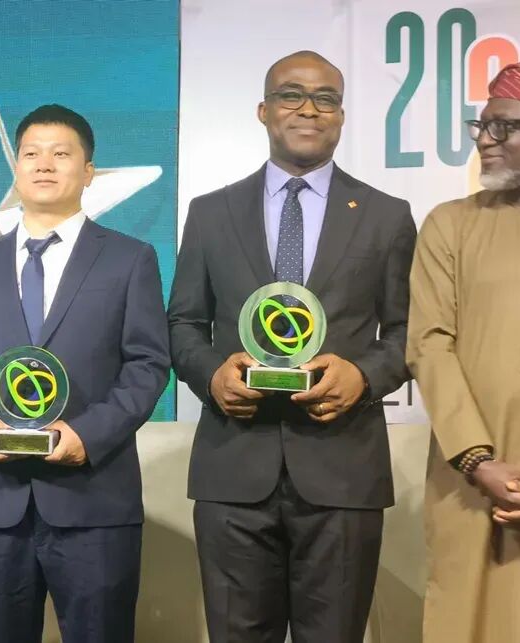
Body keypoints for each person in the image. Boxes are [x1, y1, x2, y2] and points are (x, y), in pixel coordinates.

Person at [168, 50, 417, 642]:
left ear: (342, 116)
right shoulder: (210, 213)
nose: (309, 109)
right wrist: (212, 376)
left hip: (343, 470)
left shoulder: (387, 216)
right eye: (291, 95)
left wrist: (364, 376)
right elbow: (182, 324)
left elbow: (411, 330)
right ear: (263, 110)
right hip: (233, 469)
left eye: (326, 98)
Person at [0, 104, 169, 643]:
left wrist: (86, 436)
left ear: (88, 171)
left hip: (94, 501)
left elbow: (149, 365)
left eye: (61, 154)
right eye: (31, 154)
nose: (44, 164)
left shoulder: (130, 259)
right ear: (16, 169)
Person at [407, 60, 520, 643]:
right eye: (481, 126)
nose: (485, 140)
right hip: (473, 480)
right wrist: (480, 463)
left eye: (504, 127)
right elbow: (428, 344)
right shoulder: (450, 226)